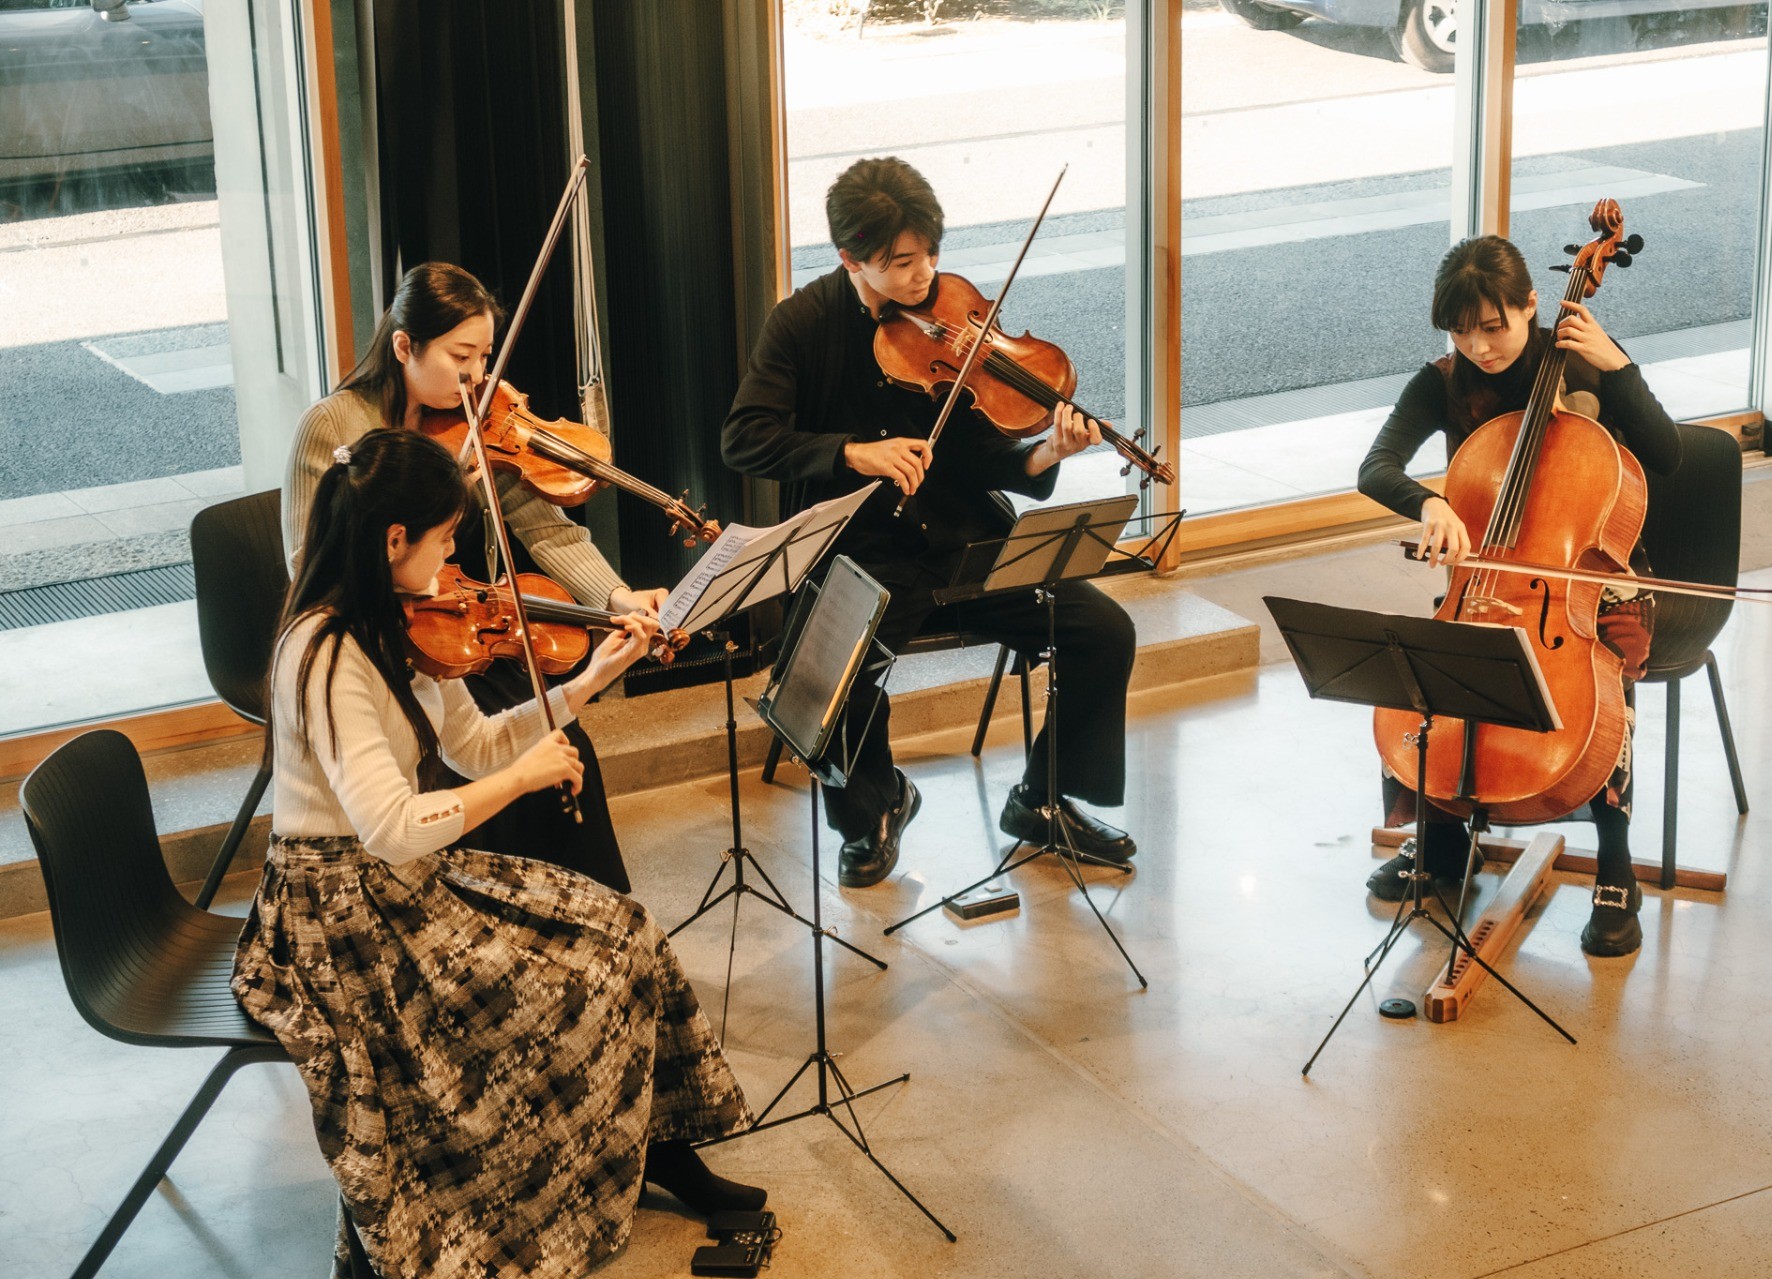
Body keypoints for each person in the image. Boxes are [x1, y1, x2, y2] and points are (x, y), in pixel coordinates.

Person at [234, 428, 761, 1279]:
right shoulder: (328, 652)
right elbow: (392, 825)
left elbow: (475, 742)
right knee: (561, 985)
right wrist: (523, 780)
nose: (456, 555)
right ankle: (520, 1191)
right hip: (336, 911)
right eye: (445, 536)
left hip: (394, 882)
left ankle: (655, 1147)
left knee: (622, 928)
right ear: (393, 539)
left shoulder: (398, 621)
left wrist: (589, 679)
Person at [722, 156, 1138, 888]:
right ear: (851, 257)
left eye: (931, 253)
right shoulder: (803, 324)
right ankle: (876, 809)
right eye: (902, 261)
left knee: (1104, 630)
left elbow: (982, 448)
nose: (925, 275)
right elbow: (744, 437)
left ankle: (1042, 800)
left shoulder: (952, 317)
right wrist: (853, 451)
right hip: (863, 547)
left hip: (962, 537)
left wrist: (1045, 453)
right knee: (838, 670)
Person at [284, 261, 661, 892]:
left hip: (458, 631)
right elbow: (307, 561)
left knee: (569, 747)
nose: (480, 376)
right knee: (471, 769)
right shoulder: (334, 427)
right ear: (405, 346)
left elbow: (549, 528)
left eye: (486, 354)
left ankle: (590, 909)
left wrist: (616, 599)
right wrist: (406, 597)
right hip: (376, 642)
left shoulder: (480, 422)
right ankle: (491, 906)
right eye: (463, 355)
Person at [1357, 234, 1681, 958]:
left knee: (1602, 692)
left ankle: (1615, 870)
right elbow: (1374, 466)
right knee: (1425, 670)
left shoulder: (1585, 353)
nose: (1477, 345)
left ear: (1532, 304)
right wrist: (1428, 504)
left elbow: (1669, 455)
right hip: (1486, 585)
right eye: (1460, 329)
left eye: (1494, 326)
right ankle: (1439, 843)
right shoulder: (1441, 380)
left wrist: (1619, 367)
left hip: (1593, 586)